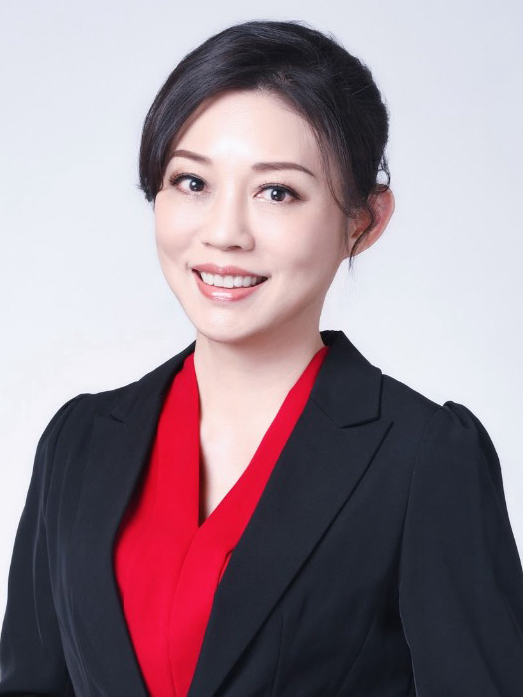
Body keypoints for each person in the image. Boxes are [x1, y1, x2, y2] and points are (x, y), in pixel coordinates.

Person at [1, 18, 523, 697]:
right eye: (192, 182)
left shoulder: (425, 457)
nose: (224, 233)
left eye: (277, 192)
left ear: (363, 222)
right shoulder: (77, 442)